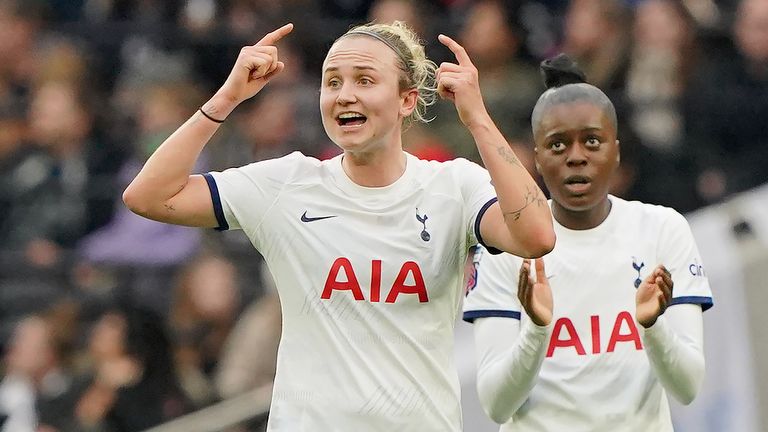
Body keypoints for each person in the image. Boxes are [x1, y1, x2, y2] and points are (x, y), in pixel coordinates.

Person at [122, 21, 555, 431]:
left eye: (364, 80)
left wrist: (477, 118)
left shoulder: (454, 186)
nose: (344, 95)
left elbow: (536, 236)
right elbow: (148, 196)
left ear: (407, 99)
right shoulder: (287, 184)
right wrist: (227, 98)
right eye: (332, 82)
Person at [463, 54, 713, 431]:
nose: (576, 157)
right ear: (537, 158)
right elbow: (496, 405)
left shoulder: (663, 229)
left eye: (592, 141)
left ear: (616, 150)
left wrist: (652, 328)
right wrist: (536, 329)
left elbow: (688, 386)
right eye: (558, 145)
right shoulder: (507, 244)